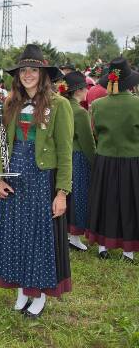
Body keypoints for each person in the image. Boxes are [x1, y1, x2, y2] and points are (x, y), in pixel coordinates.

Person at [0, 44, 72, 319]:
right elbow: (1, 145)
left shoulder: (59, 105)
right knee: (15, 234)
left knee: (37, 238)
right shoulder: (10, 103)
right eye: (23, 70)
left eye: (33, 70)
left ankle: (37, 294)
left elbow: (64, 153)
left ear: (43, 74)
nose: (27, 74)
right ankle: (21, 290)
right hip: (14, 177)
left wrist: (61, 193)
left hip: (40, 180)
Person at [86, 57, 139, 263]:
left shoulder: (98, 105)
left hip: (105, 160)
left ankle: (102, 246)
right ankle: (128, 251)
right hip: (132, 160)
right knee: (130, 202)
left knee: (104, 201)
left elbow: (95, 133)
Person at [57, 72, 95, 251]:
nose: (88, 90)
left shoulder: (59, 106)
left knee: (63, 194)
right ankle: (74, 236)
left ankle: (64, 233)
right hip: (77, 157)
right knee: (78, 197)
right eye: (86, 87)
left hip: (61, 156)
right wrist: (95, 162)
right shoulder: (80, 112)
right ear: (79, 90)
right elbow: (88, 142)